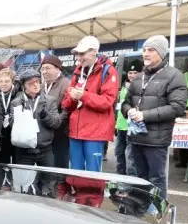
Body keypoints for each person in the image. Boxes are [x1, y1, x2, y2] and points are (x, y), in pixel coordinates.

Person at [121, 36, 187, 199]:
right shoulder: (138, 77)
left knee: (156, 179)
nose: (146, 53)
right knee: (139, 180)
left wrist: (144, 115)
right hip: (136, 138)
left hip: (156, 141)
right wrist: (128, 111)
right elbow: (125, 103)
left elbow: (177, 107)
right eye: (144, 50)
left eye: (151, 50)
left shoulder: (174, 76)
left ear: (162, 53)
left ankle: (159, 217)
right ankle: (141, 214)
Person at [61, 35, 118, 172]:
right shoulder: (78, 71)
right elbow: (66, 103)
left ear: (94, 51)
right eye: (77, 54)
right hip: (76, 130)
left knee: (92, 172)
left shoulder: (108, 71)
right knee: (75, 169)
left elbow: (107, 101)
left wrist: (83, 95)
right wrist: (72, 98)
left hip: (94, 131)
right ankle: (78, 193)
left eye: (82, 53)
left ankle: (91, 194)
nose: (78, 58)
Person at [8, 69, 61, 167]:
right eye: (31, 83)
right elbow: (12, 125)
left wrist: (45, 115)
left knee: (48, 180)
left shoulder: (50, 101)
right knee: (23, 181)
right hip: (24, 150)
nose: (35, 85)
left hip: (45, 149)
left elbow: (56, 123)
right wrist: (22, 116)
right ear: (24, 86)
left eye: (37, 81)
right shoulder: (16, 103)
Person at [40, 55, 71, 168]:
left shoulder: (66, 84)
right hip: (45, 133)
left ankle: (62, 184)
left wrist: (54, 122)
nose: (44, 72)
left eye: (47, 68)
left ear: (58, 69)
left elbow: (67, 109)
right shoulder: (42, 86)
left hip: (60, 132)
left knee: (60, 163)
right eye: (42, 69)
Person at [115, 59, 143, 175]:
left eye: (135, 72)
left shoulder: (142, 88)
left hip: (133, 127)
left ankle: (132, 185)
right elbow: (118, 107)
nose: (132, 75)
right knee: (118, 154)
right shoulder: (122, 88)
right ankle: (120, 180)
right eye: (130, 73)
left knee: (131, 158)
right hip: (120, 127)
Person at [0, 67, 20, 164]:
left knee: (17, 163)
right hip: (0, 135)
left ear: (12, 82)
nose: (3, 84)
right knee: (1, 164)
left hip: (15, 134)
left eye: (7, 81)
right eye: (1, 81)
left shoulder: (19, 93)